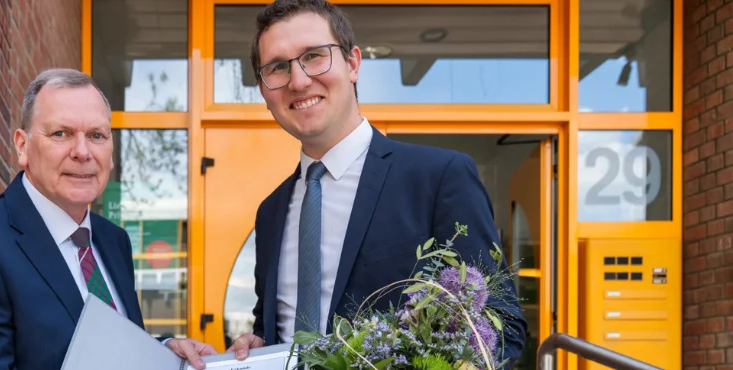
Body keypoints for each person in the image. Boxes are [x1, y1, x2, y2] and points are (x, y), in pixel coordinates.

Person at [225, 0, 528, 368]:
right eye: (277, 67)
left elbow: (502, 329)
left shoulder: (439, 177)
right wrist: (257, 348)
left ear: (352, 63)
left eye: (315, 56)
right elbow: (277, 328)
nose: (299, 80)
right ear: (263, 89)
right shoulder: (271, 211)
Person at [0, 68, 216, 369]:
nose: (82, 152)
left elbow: (109, 349)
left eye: (96, 135)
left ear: (111, 154)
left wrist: (165, 350)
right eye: (61, 134)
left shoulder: (114, 241)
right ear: (23, 146)